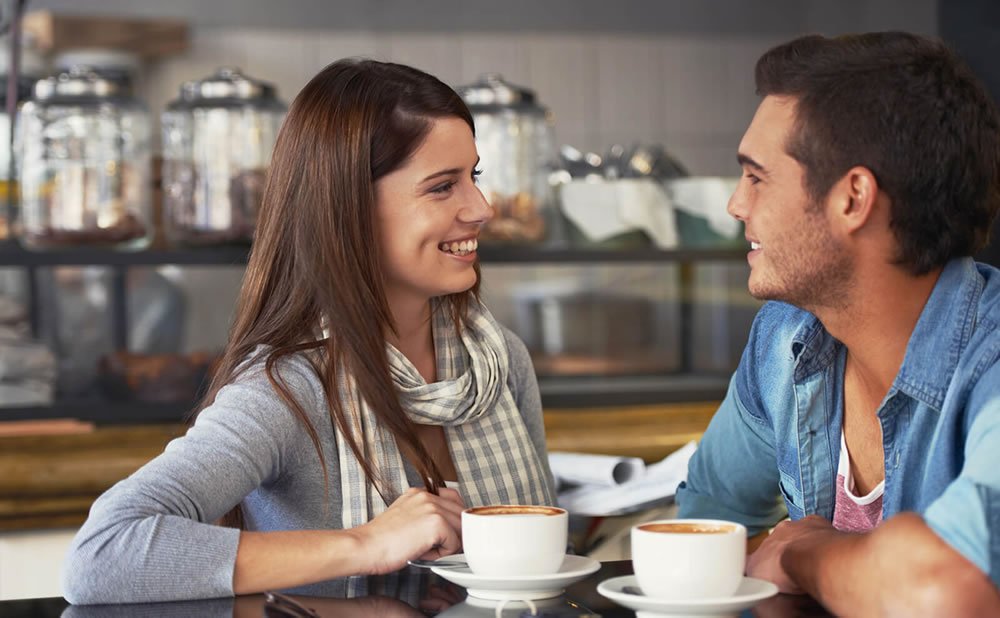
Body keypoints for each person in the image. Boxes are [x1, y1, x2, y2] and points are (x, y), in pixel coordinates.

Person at [61, 59, 557, 604]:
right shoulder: (288, 388)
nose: (482, 209)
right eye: (442, 187)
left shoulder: (498, 360)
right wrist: (365, 543)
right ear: (348, 208)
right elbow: (102, 553)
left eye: (474, 177)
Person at [675, 31, 1000, 615]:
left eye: (757, 176)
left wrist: (808, 554)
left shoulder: (993, 361)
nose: (736, 204)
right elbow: (707, 525)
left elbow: (947, 589)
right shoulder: (784, 337)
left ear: (853, 198)